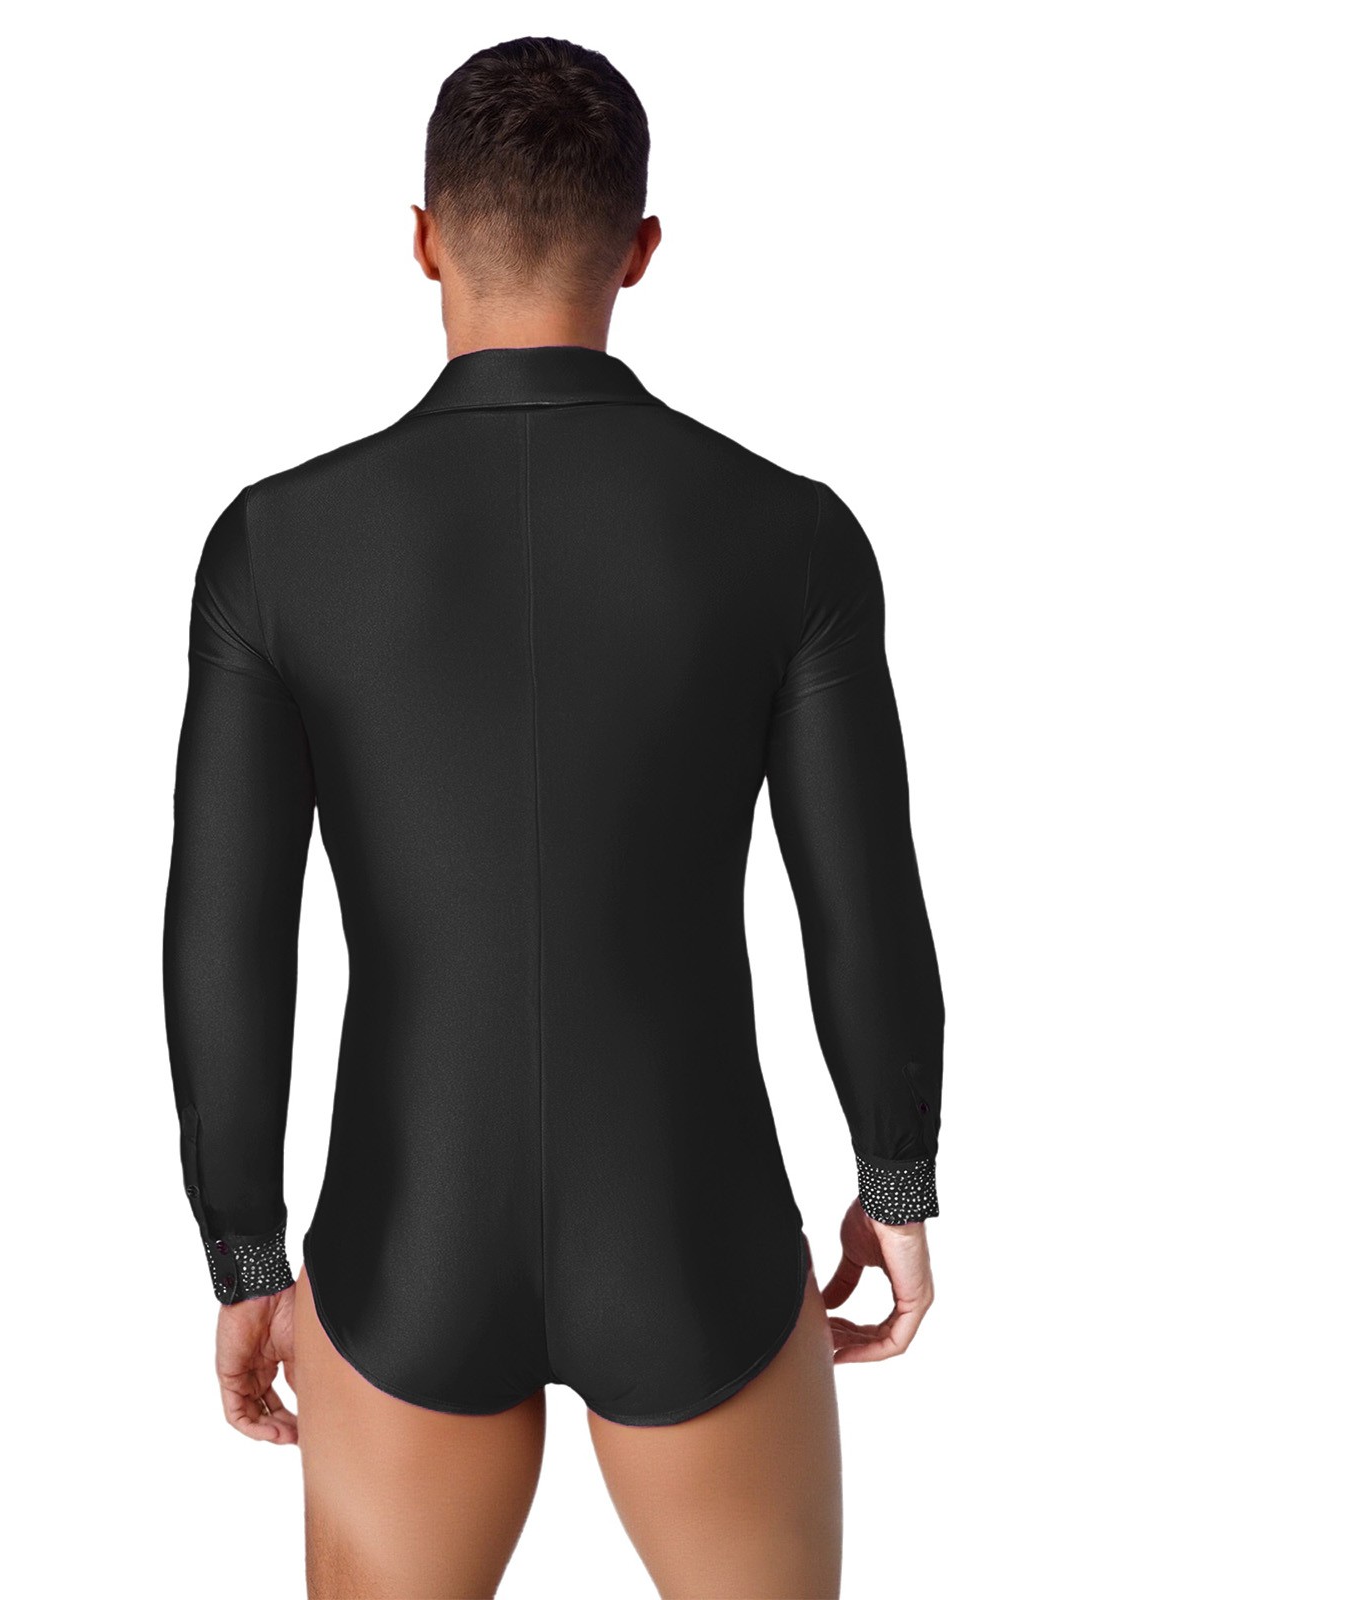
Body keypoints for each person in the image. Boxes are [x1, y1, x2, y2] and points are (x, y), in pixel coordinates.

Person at [163, 35, 944, 1599]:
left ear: (425, 238)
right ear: (639, 249)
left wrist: (245, 1253)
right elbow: (861, 903)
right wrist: (897, 1183)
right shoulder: (790, 537)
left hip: (406, 1236)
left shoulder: (277, 545)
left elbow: (224, 934)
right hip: (696, 1226)